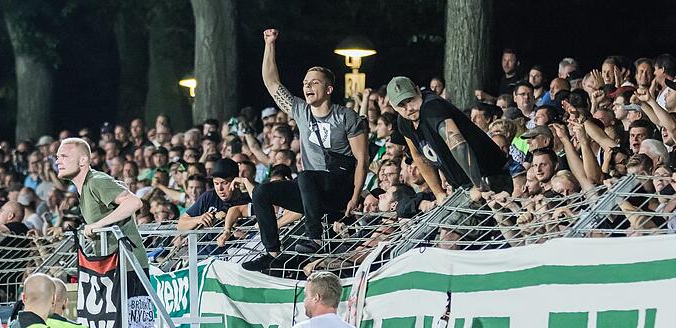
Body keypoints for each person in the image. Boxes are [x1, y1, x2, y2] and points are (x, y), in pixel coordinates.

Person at [55, 137, 186, 328]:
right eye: (57, 156)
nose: (57, 160)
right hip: (114, 266)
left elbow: (133, 202)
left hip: (128, 264)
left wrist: (98, 225)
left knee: (139, 323)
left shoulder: (96, 181)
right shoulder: (84, 189)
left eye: (64, 155)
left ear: (83, 160)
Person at [242, 28, 369, 271]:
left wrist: (354, 197)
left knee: (305, 176)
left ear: (329, 89)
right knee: (261, 192)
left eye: (314, 82)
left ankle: (314, 238)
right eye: (304, 83)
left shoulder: (347, 117)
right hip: (310, 192)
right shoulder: (301, 111)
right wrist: (269, 44)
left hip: (338, 189)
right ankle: (272, 253)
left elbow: (362, 160)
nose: (307, 86)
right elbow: (271, 82)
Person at [387, 76, 511, 202]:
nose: (408, 108)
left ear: (418, 91)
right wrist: (438, 193)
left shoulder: (431, 107)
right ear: (393, 106)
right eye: (401, 105)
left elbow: (458, 144)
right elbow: (418, 156)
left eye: (410, 100)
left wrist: (478, 185)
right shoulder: (403, 121)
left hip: (490, 175)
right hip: (463, 185)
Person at [177, 158, 251, 230]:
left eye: (225, 183)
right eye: (216, 183)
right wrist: (198, 219)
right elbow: (180, 224)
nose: (220, 188)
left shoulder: (247, 199)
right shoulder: (209, 197)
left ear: (236, 181)